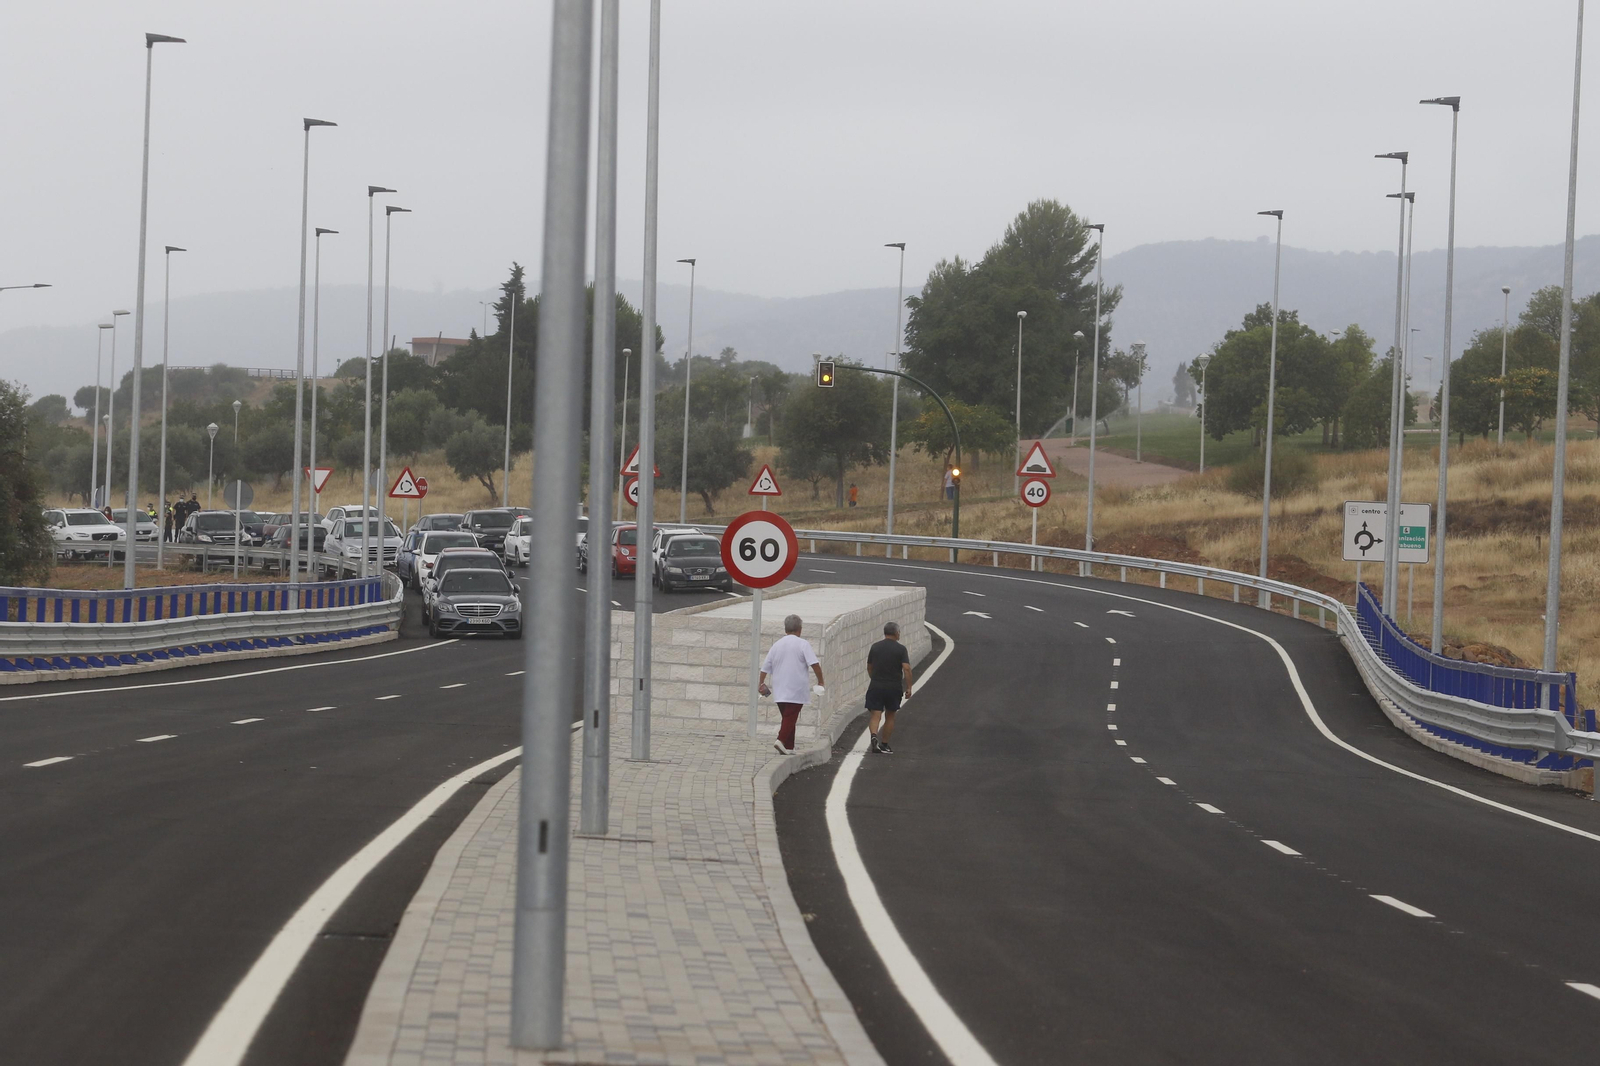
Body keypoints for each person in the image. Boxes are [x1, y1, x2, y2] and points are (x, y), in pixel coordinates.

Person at [758, 613, 825, 756]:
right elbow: (815, 664)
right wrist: (820, 681)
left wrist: (761, 683)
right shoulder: (803, 644)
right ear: (799, 629)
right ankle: (781, 740)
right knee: (791, 717)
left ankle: (789, 747)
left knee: (788, 717)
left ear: (785, 629)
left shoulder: (776, 645)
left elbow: (765, 668)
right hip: (796, 688)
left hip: (779, 688)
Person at [865, 621, 913, 754]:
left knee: (875, 714)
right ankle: (885, 744)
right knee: (890, 715)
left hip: (876, 685)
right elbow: (906, 668)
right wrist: (909, 686)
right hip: (893, 686)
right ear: (897, 633)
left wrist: (874, 679)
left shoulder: (875, 647)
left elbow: (869, 667)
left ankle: (874, 735)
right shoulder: (901, 649)